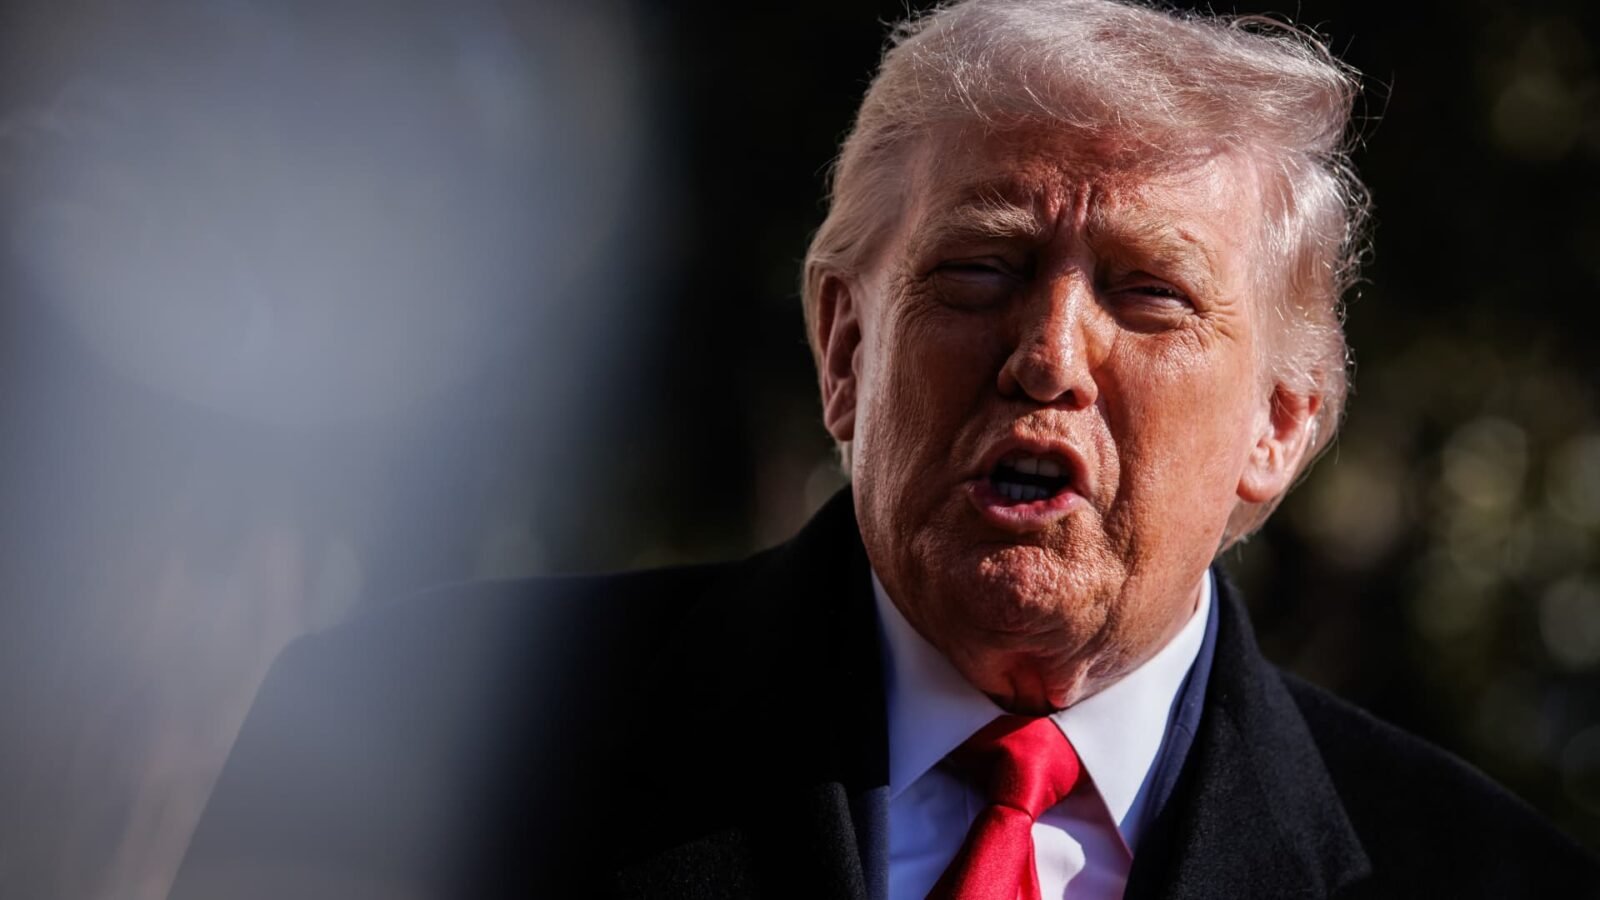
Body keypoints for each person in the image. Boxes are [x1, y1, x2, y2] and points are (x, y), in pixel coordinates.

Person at [171, 1, 1600, 897]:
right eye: (978, 273)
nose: (1047, 356)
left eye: (1147, 295)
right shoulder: (413, 750)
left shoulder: (1483, 872)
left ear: (1281, 429)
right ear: (844, 350)